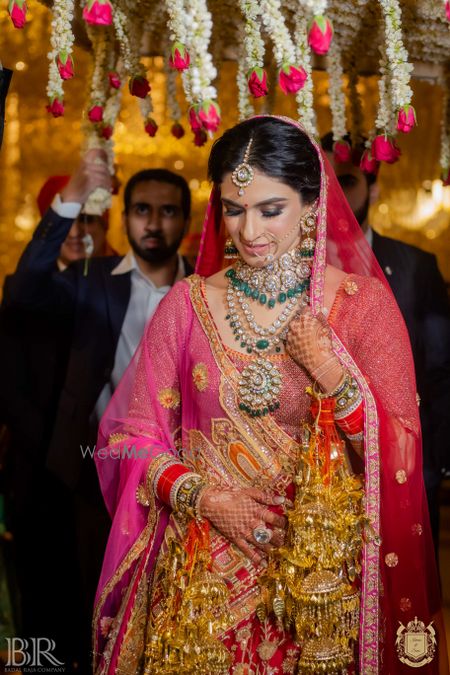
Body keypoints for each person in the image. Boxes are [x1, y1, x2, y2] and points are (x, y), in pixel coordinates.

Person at [93, 117, 448, 674]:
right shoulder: (187, 306)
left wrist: (331, 371)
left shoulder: (363, 307)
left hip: (319, 591)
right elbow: (129, 438)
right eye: (234, 209)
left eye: (270, 209)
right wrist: (205, 499)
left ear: (312, 204)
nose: (249, 230)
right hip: (199, 592)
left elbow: (401, 451)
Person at [4, 155, 193, 672]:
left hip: (186, 476)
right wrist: (72, 195)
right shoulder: (92, 280)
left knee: (171, 608)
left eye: (167, 211)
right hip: (93, 471)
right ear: (124, 215)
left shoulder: (205, 289)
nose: (153, 223)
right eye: (141, 210)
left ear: (186, 220)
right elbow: (23, 291)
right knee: (92, 601)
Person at [321, 131, 450, 554]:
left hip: (404, 456)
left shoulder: (415, 267)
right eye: (326, 182)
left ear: (373, 187)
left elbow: (439, 368)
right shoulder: (296, 267)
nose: (335, 194)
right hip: (318, 461)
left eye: (348, 181)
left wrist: (431, 460)